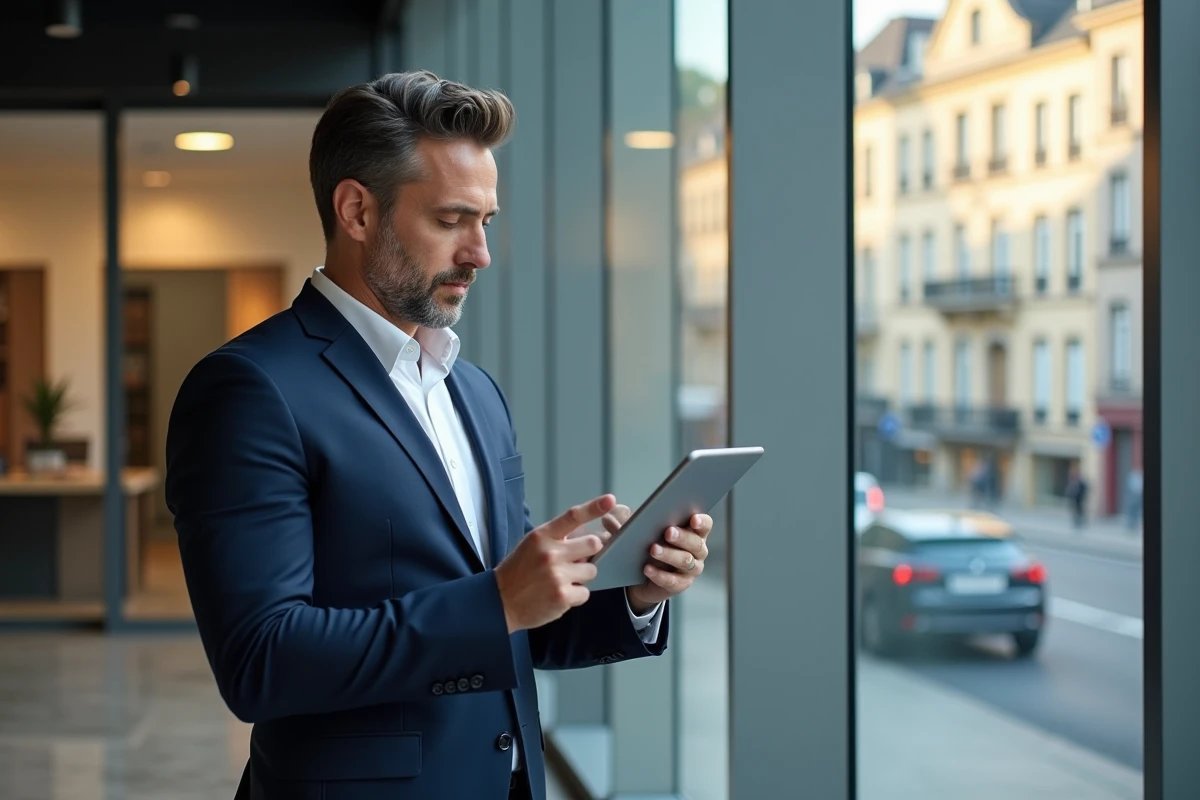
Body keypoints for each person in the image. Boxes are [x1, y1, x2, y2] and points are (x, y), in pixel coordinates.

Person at [164, 71, 712, 800]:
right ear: (357, 211)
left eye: (486, 220)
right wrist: (500, 603)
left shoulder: (472, 390)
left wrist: (635, 597)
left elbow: (516, 624)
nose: (480, 253)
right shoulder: (249, 389)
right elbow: (260, 662)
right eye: (452, 220)